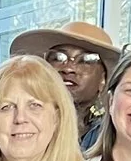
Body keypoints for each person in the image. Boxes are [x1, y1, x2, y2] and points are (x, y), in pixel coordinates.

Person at [17, 21, 120, 153]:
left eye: (85, 60)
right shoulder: (19, 121)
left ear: (103, 80)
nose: (68, 68)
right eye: (58, 58)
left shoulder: (111, 138)